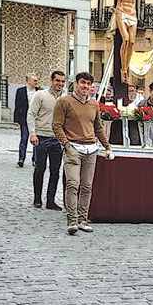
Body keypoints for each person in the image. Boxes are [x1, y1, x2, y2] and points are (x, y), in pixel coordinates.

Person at [51, 71, 114, 235]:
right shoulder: (64, 102)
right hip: (73, 148)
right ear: (76, 84)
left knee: (86, 186)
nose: (85, 86)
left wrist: (107, 146)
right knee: (73, 184)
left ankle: (82, 220)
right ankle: (72, 220)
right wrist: (66, 145)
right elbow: (57, 125)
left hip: (91, 149)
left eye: (88, 84)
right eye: (83, 83)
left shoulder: (94, 104)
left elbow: (98, 127)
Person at [28, 70, 66, 210]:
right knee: (40, 169)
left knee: (55, 171)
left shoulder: (65, 98)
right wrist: (32, 133)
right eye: (57, 81)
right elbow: (31, 114)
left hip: (58, 139)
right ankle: (37, 198)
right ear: (51, 80)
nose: (60, 84)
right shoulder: (40, 95)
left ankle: (51, 200)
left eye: (62, 81)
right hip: (41, 137)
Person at [14, 73, 40, 167]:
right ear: (29, 81)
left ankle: (35, 159)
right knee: (24, 139)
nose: (36, 82)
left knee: (36, 140)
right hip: (24, 118)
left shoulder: (39, 91)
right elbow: (17, 105)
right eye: (34, 80)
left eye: (37, 80)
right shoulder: (20, 91)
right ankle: (21, 159)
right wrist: (16, 119)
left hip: (36, 119)